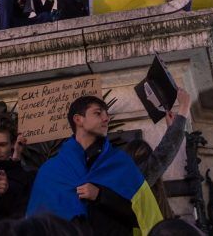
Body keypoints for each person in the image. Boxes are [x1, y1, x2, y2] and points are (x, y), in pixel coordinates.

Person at [27, 96, 163, 235]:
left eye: (107, 115)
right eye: (98, 113)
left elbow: (143, 215)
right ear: (78, 119)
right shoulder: (50, 171)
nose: (106, 119)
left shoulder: (121, 162)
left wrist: (101, 196)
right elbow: (36, 224)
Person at [123, 88, 192, 220]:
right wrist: (183, 108)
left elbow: (162, 155)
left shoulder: (129, 187)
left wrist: (172, 127)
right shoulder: (135, 182)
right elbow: (163, 154)